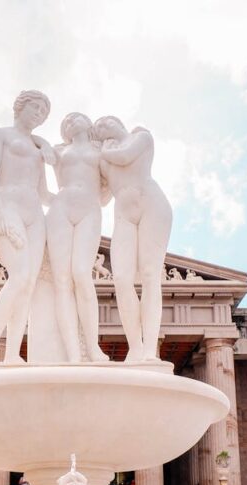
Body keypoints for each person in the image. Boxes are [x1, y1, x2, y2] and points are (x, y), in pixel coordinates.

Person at [0, 90, 53, 364]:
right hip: (8, 208)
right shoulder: (0, 134)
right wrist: (0, 210)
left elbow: (44, 194)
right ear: (21, 106)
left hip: (34, 214)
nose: (39, 114)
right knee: (18, 277)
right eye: (36, 107)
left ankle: (13, 354)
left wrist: (82, 196)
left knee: (28, 284)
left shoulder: (40, 149)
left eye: (44, 112)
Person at [94, 115, 172, 363]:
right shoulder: (105, 159)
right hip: (123, 214)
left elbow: (125, 157)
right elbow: (102, 197)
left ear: (117, 122)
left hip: (151, 204)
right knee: (121, 278)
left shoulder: (140, 137)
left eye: (105, 124)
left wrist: (103, 150)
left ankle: (149, 348)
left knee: (150, 275)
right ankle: (135, 347)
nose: (103, 130)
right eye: (98, 130)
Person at [43, 111, 109, 362]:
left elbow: (108, 190)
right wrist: (43, 143)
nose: (70, 120)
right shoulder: (59, 150)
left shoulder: (101, 150)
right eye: (66, 120)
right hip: (61, 207)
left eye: (75, 117)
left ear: (88, 123)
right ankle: (73, 353)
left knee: (82, 273)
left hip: (90, 208)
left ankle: (93, 347)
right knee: (62, 279)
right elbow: (33, 143)